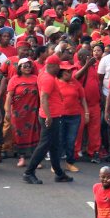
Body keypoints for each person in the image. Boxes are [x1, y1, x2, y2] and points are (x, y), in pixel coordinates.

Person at [23, 55, 72, 184]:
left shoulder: (44, 74)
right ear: (53, 66)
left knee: (54, 146)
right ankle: (29, 172)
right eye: (58, 67)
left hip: (51, 115)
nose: (60, 70)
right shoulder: (48, 79)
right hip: (50, 117)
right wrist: (49, 116)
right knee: (44, 146)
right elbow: (44, 98)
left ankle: (59, 174)